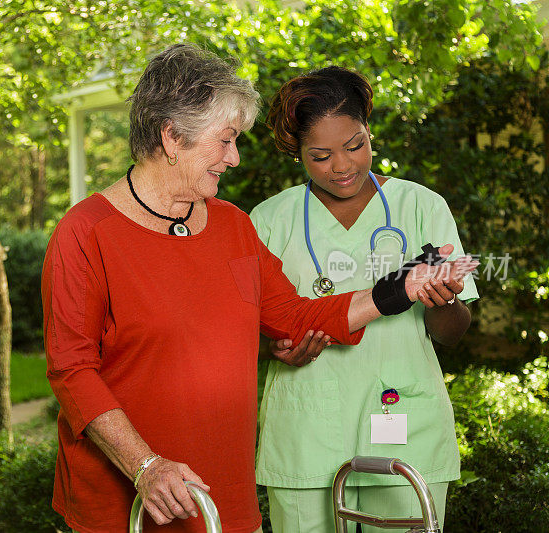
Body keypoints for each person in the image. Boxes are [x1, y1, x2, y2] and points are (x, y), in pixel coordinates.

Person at [42, 45, 475, 533]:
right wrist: (145, 466)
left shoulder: (232, 226)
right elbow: (72, 369)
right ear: (172, 137)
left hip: (223, 491)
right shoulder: (86, 232)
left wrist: (403, 287)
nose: (235, 157)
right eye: (225, 141)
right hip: (130, 493)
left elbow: (293, 316)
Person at [250, 66, 479, 533]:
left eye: (354, 145)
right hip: (306, 430)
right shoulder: (269, 220)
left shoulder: (421, 207)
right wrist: (274, 348)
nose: (342, 165)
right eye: (320, 155)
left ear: (369, 131)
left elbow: (455, 333)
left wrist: (443, 302)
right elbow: (244, 332)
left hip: (402, 426)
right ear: (298, 153)